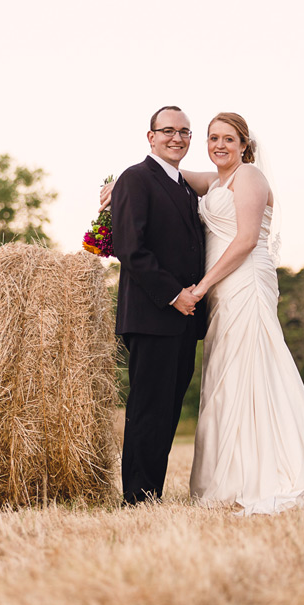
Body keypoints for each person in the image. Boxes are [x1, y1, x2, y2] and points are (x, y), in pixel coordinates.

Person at [103, 112, 304, 514]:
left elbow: (245, 240)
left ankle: (260, 472)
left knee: (250, 371)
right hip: (200, 299)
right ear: (152, 137)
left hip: (240, 284)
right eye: (211, 137)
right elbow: (161, 178)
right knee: (221, 378)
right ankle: (167, 489)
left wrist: (199, 288)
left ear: (245, 145)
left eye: (228, 139)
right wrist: (123, 181)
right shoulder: (209, 181)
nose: (218, 145)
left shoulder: (249, 178)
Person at [112, 105, 207, 505]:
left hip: (185, 320)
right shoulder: (135, 179)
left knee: (167, 413)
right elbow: (131, 249)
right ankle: (136, 498)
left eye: (184, 132)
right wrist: (175, 294)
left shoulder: (183, 186)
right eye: (168, 131)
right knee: (149, 411)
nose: (177, 138)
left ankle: (151, 492)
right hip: (153, 315)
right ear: (150, 137)